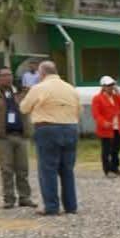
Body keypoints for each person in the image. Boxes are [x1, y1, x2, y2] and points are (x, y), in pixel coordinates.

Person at [19, 60, 80, 216]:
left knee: (48, 169)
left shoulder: (39, 88)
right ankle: (71, 206)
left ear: (42, 73)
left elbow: (24, 108)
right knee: (67, 169)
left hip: (47, 128)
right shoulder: (70, 88)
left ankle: (51, 206)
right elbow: (79, 110)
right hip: (70, 127)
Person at [0, 65, 35, 208]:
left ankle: (25, 197)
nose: (7, 77)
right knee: (7, 169)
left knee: (23, 169)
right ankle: (9, 199)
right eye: (3, 75)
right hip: (1, 137)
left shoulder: (20, 93)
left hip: (20, 136)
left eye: (9, 75)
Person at [91, 75, 120, 177]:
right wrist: (103, 122)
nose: (111, 87)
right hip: (106, 129)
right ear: (103, 86)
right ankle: (107, 170)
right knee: (106, 151)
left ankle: (115, 168)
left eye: (112, 85)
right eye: (108, 85)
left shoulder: (116, 97)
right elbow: (96, 114)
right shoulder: (97, 99)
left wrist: (118, 93)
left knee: (116, 149)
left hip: (117, 128)